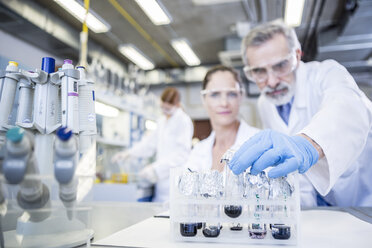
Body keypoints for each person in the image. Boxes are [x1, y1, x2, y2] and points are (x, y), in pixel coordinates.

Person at [228, 19, 372, 207]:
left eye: (280, 66)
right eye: (259, 71)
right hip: (317, 204)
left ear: (296, 55)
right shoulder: (265, 103)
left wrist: (308, 145)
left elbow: (348, 107)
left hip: (362, 198)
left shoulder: (326, 73)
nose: (271, 82)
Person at [112, 87, 193, 202]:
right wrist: (129, 153)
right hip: (161, 184)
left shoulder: (183, 121)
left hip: (175, 181)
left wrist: (155, 168)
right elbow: (149, 144)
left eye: (168, 109)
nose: (164, 111)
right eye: (162, 108)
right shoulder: (161, 121)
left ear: (177, 105)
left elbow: (182, 155)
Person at [185, 65, 260, 173]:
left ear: (241, 96)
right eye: (215, 94)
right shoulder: (198, 151)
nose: (224, 103)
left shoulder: (259, 144)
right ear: (203, 99)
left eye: (231, 94)